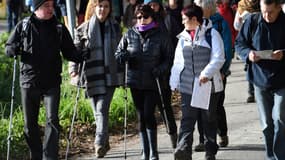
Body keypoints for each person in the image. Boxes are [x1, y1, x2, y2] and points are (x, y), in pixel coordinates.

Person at [5, 0, 89, 159]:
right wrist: (13, 50)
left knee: (52, 120)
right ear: (36, 8)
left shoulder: (58, 28)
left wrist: (80, 56)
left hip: (51, 82)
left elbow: (69, 52)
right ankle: (36, 155)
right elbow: (9, 46)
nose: (51, 9)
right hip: (29, 81)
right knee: (30, 125)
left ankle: (49, 157)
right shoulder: (24, 25)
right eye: (47, 6)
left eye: (52, 5)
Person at [115, 4, 173, 160]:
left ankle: (154, 152)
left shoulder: (161, 35)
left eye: (144, 17)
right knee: (141, 116)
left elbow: (169, 58)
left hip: (153, 81)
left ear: (152, 17)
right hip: (135, 81)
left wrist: (160, 69)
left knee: (148, 114)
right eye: (138, 17)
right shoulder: (129, 34)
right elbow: (118, 53)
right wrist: (123, 56)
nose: (141, 20)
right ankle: (145, 151)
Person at [69, 0, 123, 158]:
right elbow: (75, 51)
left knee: (101, 109)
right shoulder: (83, 28)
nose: (103, 9)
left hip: (111, 75)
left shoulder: (115, 27)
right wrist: (74, 71)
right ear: (94, 7)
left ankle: (99, 142)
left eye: (106, 6)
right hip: (92, 75)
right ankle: (105, 142)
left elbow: (121, 48)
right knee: (97, 112)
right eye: (100, 6)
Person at [170, 4, 225, 160]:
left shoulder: (212, 34)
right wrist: (173, 82)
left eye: (184, 19)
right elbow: (178, 62)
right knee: (187, 118)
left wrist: (206, 73)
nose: (182, 22)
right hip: (188, 85)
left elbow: (218, 57)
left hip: (208, 85)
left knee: (208, 118)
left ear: (194, 19)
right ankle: (183, 150)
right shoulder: (182, 38)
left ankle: (210, 151)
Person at [235, 0, 285, 159]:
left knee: (279, 119)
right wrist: (248, 54)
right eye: (264, 11)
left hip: (282, 80)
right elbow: (239, 44)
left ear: (279, 7)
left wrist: (283, 54)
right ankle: (270, 156)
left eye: (270, 12)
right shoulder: (253, 20)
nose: (266, 16)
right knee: (266, 124)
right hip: (259, 79)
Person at [194, 0, 232, 151]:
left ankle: (222, 133)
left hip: (218, 72)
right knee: (200, 105)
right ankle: (204, 139)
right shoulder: (195, 23)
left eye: (199, 7)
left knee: (216, 106)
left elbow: (228, 49)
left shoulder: (221, 23)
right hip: (200, 74)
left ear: (208, 8)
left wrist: (223, 71)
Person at [144, 0, 183, 149]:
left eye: (155, 4)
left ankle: (174, 137)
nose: (153, 8)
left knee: (165, 106)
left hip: (165, 70)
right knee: (147, 111)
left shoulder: (167, 20)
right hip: (147, 73)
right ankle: (149, 145)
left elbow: (178, 40)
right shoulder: (142, 21)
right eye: (150, 5)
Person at [234, 0, 260, 103]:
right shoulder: (241, 5)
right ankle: (251, 92)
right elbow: (236, 26)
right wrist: (240, 21)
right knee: (250, 64)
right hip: (247, 38)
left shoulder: (262, 3)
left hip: (259, 35)